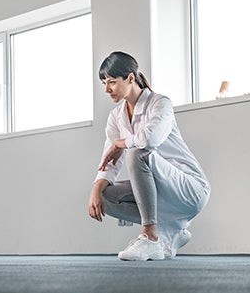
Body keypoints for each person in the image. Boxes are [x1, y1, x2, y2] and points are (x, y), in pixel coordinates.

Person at [88, 51, 210, 261]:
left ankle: (150, 237)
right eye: (104, 83)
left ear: (130, 78)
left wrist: (121, 143)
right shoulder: (115, 117)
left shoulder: (160, 103)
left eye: (111, 82)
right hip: (159, 192)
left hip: (190, 189)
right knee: (105, 197)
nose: (107, 89)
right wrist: (95, 189)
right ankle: (172, 231)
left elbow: (149, 140)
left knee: (137, 153)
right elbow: (109, 161)